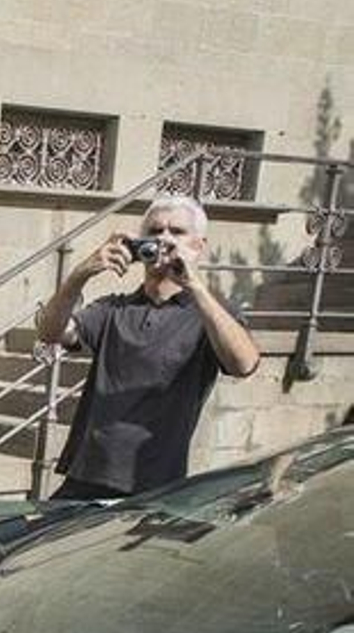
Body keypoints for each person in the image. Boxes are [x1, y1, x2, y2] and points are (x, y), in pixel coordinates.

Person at [37, 195, 261, 499]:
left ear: (198, 246)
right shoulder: (113, 309)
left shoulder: (208, 316)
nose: (164, 239)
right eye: (155, 231)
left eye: (177, 232)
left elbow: (244, 364)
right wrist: (81, 273)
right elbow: (50, 332)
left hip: (153, 487)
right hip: (85, 475)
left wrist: (194, 285)